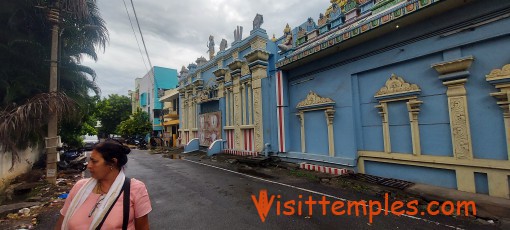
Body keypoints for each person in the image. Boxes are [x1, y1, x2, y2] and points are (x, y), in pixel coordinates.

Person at [56, 140, 152, 230]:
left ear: (112, 163)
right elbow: (61, 224)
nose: (89, 165)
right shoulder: (80, 187)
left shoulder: (134, 189)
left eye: (94, 161)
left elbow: (143, 227)